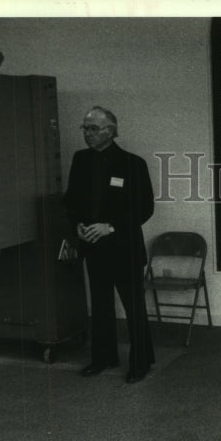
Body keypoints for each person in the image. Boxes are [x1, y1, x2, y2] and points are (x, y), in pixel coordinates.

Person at [64, 106, 155, 383]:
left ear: (111, 130)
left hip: (123, 247)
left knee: (133, 307)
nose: (88, 134)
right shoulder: (80, 160)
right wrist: (78, 225)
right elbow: (72, 201)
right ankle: (103, 358)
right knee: (101, 306)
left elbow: (144, 208)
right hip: (93, 247)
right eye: (85, 128)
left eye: (93, 128)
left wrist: (110, 226)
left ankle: (141, 362)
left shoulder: (132, 163)